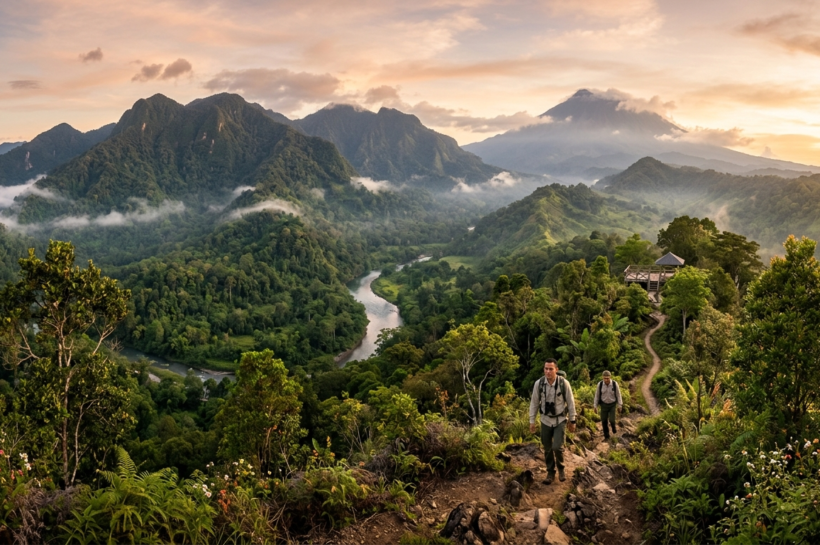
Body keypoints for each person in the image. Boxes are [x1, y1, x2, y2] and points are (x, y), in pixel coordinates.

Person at [529, 359, 576, 484]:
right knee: (547, 448)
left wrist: (573, 420)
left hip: (560, 419)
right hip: (545, 420)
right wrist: (531, 421)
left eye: (550, 369)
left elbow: (570, 402)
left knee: (557, 447)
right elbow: (534, 403)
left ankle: (561, 468)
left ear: (556, 369)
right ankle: (550, 472)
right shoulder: (539, 384)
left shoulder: (563, 383)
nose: (548, 371)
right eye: (546, 369)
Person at [593, 370, 623, 440]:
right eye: (605, 378)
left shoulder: (615, 384)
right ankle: (607, 436)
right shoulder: (600, 384)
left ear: (610, 377)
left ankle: (614, 428)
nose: (606, 380)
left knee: (612, 420)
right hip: (603, 405)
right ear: (602, 378)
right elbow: (597, 396)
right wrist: (595, 406)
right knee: (604, 421)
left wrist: (620, 405)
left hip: (612, 405)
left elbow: (618, 395)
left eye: (607, 378)